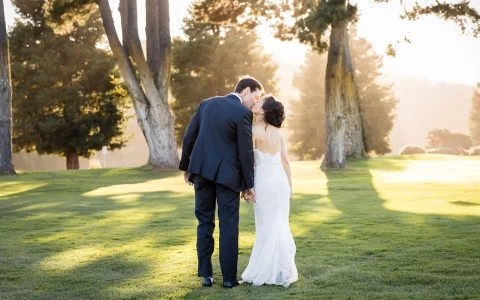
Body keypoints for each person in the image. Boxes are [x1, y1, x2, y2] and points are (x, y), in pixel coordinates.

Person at [179, 76, 263, 288]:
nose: (255, 102)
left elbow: (189, 137)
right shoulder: (242, 113)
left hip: (202, 173)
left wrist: (186, 168)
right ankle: (228, 279)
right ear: (246, 90)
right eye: (255, 96)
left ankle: (206, 275)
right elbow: (245, 152)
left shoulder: (206, 104)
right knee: (228, 226)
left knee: (204, 222)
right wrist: (248, 184)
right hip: (228, 177)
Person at [241, 95, 298, 288]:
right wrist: (290, 186)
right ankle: (282, 270)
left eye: (260, 102)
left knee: (266, 225)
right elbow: (286, 161)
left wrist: (247, 186)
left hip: (263, 180)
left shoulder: (253, 131)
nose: (256, 103)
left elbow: (249, 162)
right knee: (280, 222)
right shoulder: (279, 133)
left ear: (264, 111)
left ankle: (265, 271)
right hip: (280, 181)